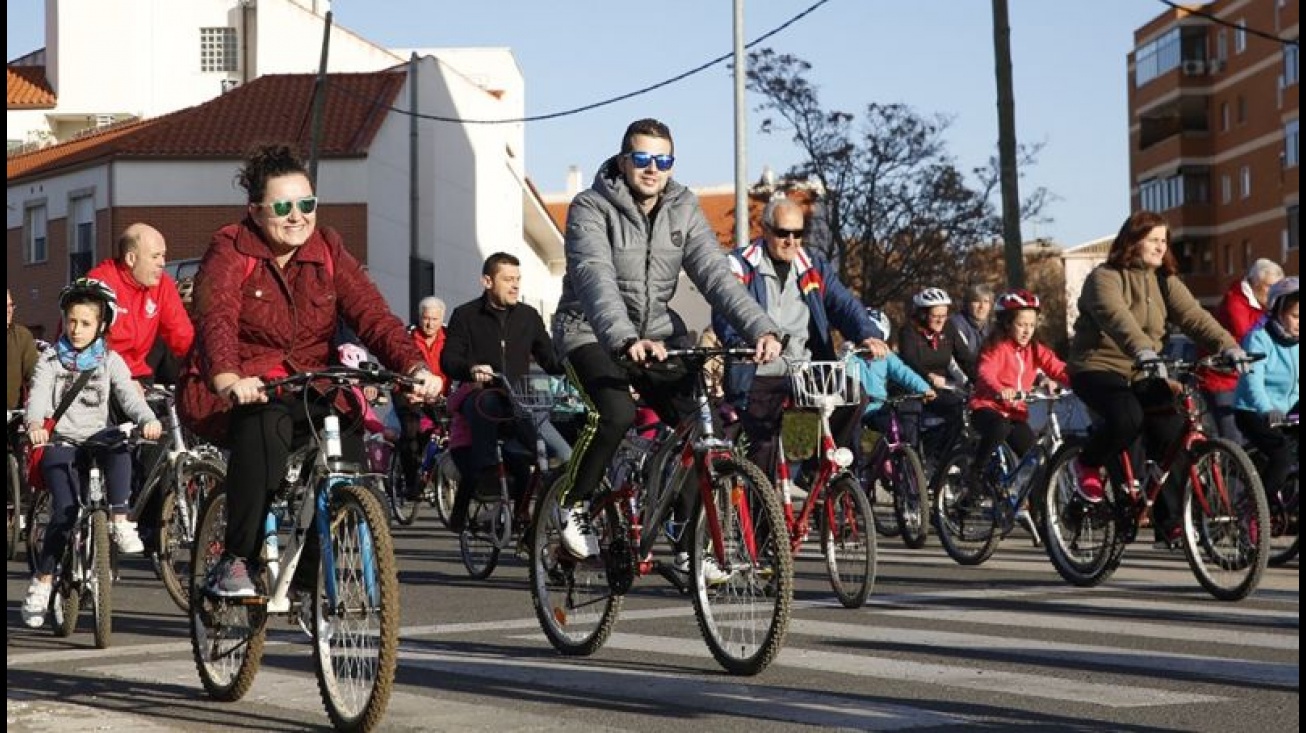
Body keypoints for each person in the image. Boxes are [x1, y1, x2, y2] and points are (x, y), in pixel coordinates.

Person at [192, 143, 441, 598]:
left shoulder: (327, 249)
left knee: (347, 449)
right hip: (252, 383)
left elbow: (372, 315)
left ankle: (308, 583)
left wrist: (414, 365)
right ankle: (237, 559)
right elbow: (217, 316)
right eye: (283, 206)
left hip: (314, 382)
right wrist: (228, 377)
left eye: (306, 204)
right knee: (266, 429)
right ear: (255, 210)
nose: (297, 217)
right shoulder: (230, 247)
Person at [551, 117, 782, 560]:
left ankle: (687, 545)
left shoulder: (683, 206)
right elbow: (593, 277)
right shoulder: (590, 207)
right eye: (641, 158)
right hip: (587, 330)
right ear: (623, 160)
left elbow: (716, 274)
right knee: (615, 414)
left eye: (662, 160)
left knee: (700, 424)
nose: (652, 168)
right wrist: (622, 338)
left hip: (655, 333)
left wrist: (761, 327)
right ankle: (572, 503)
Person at [1067, 211, 1246, 545]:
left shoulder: (1165, 282)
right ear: (1132, 241)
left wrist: (1230, 347)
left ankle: (1171, 520)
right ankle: (1087, 463)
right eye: (1153, 240)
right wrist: (1141, 349)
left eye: (1164, 241)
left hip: (1144, 369)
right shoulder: (1104, 278)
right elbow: (1116, 317)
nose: (1160, 247)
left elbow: (1194, 317)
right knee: (1127, 416)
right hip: (1098, 366)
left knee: (1175, 428)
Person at [713, 196, 887, 483]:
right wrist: (742, 343)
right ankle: (765, 521)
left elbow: (844, 304)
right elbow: (725, 307)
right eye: (783, 233)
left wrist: (867, 335)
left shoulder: (813, 266)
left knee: (854, 397)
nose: (791, 241)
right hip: (758, 370)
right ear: (766, 230)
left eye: (798, 234)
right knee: (764, 446)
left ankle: (816, 471)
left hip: (806, 370)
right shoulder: (740, 264)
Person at [21, 278, 164, 628]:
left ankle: (118, 520)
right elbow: (37, 397)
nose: (77, 329)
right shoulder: (51, 361)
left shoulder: (110, 361)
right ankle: (42, 581)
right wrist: (36, 423)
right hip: (61, 442)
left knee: (120, 444)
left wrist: (147, 419)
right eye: (71, 320)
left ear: (101, 325)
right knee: (65, 512)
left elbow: (130, 397)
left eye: (86, 323)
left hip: (96, 440)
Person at [440, 252, 563, 533]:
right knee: (488, 405)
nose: (515, 286)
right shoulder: (465, 315)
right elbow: (449, 360)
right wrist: (471, 368)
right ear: (487, 281)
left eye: (518, 279)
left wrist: (576, 364)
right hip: (481, 395)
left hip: (520, 401)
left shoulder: (528, 316)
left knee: (537, 458)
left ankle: (528, 521)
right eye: (508, 279)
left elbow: (550, 359)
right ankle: (484, 475)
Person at [967, 290, 1070, 491]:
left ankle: (1035, 508)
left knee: (1035, 459)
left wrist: (1080, 381)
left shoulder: (1034, 349)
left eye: (1031, 325)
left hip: (1015, 412)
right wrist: (1000, 389)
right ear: (1007, 323)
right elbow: (986, 371)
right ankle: (976, 470)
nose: (1027, 331)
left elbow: (1057, 367)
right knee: (1000, 427)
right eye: (1021, 325)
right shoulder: (996, 347)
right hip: (987, 407)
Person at [86, 223, 194, 386]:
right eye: (155, 256)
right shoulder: (99, 284)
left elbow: (183, 336)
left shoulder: (163, 285)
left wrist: (214, 370)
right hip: (99, 377)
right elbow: (82, 342)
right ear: (131, 258)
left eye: (163, 256)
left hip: (139, 376)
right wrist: (121, 383)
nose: (162, 263)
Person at [1197, 258, 1285, 443]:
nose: (1275, 292)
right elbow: (1249, 336)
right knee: (1234, 437)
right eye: (1270, 287)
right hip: (1222, 379)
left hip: (1249, 378)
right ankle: (1229, 470)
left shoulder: (1263, 305)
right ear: (1256, 284)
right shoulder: (1235, 302)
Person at [1233, 276, 1298, 507]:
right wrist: (1267, 409)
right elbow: (1253, 382)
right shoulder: (1258, 338)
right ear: (1278, 312)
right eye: (1296, 316)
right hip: (1254, 410)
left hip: (1290, 412)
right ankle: (1254, 510)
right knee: (1282, 456)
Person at [897, 287, 973, 465]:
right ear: (923, 314)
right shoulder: (908, 331)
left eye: (944, 315)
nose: (941, 320)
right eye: (935, 315)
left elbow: (965, 358)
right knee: (911, 425)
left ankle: (941, 458)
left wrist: (980, 380)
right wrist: (928, 377)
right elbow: (909, 361)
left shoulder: (949, 329)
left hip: (941, 388)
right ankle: (915, 462)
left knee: (959, 410)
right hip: (915, 388)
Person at [394, 296, 449, 497]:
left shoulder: (450, 337)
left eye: (434, 319)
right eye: (426, 318)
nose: (429, 324)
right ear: (419, 317)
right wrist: (412, 392)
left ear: (442, 318)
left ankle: (434, 473)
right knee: (411, 432)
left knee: (447, 430)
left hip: (438, 393)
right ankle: (410, 483)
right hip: (408, 392)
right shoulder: (407, 336)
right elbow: (397, 363)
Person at [851, 307, 934, 436]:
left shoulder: (886, 356)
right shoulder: (851, 357)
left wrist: (923, 388)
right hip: (858, 409)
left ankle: (908, 452)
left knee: (907, 418)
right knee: (885, 430)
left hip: (881, 406)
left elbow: (902, 372)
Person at [948, 283, 995, 368]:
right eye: (976, 301)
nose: (982, 306)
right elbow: (961, 360)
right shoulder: (956, 324)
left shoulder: (991, 327)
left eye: (986, 302)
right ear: (967, 304)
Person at [7, 288, 39, 410]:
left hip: (11, 419)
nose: (9, 310)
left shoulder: (21, 336)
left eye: (11, 305)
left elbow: (35, 377)